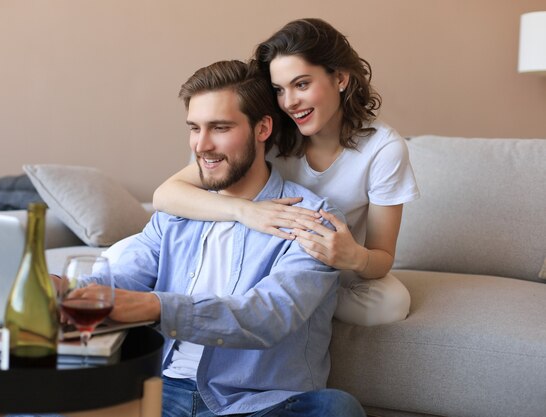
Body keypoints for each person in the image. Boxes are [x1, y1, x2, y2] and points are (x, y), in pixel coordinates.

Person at [75, 60, 366, 416]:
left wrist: (157, 306)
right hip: (164, 392)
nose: (202, 145)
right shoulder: (178, 213)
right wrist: (64, 289)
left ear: (262, 129)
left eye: (220, 128)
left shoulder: (311, 218)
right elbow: (119, 276)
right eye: (194, 128)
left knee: (337, 409)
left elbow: (267, 316)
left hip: (258, 403)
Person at [152, 18, 420, 326]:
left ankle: (278, 301)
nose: (290, 102)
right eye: (279, 89)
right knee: (118, 256)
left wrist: (353, 257)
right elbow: (166, 194)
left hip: (326, 265)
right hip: (254, 255)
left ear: (341, 78)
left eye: (302, 84)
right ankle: (259, 298)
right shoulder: (268, 133)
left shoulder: (383, 148)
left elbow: (381, 257)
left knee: (391, 302)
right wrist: (245, 211)